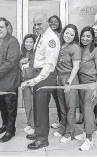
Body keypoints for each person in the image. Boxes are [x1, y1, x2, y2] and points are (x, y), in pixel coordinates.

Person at [22, 12, 60, 150]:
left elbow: (49, 65)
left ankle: (42, 139)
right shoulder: (41, 36)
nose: (36, 26)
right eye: (35, 24)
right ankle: (39, 132)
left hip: (45, 75)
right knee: (37, 106)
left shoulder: (51, 39)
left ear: (47, 22)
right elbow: (38, 57)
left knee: (42, 107)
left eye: (39, 24)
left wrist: (36, 79)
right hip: (38, 73)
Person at [77, 26, 97, 150]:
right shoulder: (80, 48)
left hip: (94, 82)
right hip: (82, 83)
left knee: (88, 109)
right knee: (85, 109)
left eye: (88, 36)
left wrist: (95, 88)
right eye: (83, 35)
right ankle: (87, 132)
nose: (85, 38)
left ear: (93, 37)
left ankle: (89, 139)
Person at [52, 24, 81, 143]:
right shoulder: (60, 45)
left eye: (71, 34)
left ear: (74, 36)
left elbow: (76, 67)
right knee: (62, 106)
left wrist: (69, 82)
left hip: (70, 79)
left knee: (70, 107)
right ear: (63, 33)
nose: (68, 36)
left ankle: (69, 133)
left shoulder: (75, 47)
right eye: (67, 33)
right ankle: (63, 128)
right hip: (59, 79)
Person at [48, 15, 63, 129]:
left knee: (59, 98)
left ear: (59, 24)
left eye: (55, 22)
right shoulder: (44, 36)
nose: (53, 23)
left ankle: (62, 119)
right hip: (47, 72)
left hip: (59, 71)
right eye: (51, 21)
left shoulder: (61, 36)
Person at [20, 34, 37, 135]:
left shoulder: (36, 53)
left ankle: (34, 125)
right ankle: (29, 123)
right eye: (26, 42)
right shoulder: (22, 53)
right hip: (24, 82)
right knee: (27, 105)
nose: (28, 44)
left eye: (31, 42)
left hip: (33, 81)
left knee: (34, 105)